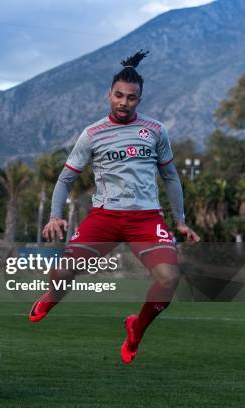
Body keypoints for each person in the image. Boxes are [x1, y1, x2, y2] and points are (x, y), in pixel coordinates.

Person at [28, 51, 200, 364]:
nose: (124, 102)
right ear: (109, 94)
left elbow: (171, 177)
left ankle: (137, 328)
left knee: (169, 279)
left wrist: (181, 220)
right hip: (105, 217)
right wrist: (54, 216)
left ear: (140, 99)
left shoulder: (156, 131)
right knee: (63, 272)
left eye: (131, 98)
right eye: (119, 95)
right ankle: (52, 298)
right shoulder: (92, 134)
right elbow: (65, 179)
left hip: (146, 218)